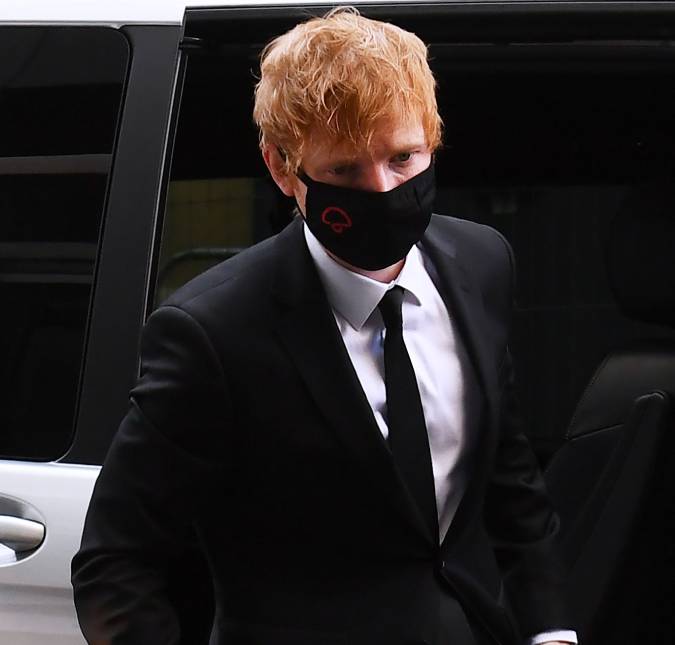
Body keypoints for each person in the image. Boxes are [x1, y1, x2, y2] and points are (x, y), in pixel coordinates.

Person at [72, 8, 577, 645]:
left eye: (403, 157)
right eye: (344, 171)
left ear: (433, 139)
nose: (383, 189)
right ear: (282, 169)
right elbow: (116, 560)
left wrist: (550, 631)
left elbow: (510, 481)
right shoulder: (214, 332)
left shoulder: (480, 263)